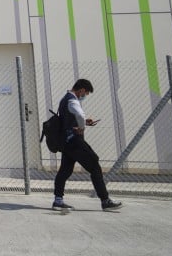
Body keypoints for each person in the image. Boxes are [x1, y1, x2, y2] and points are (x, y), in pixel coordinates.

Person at [52, 78, 123, 212]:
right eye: (85, 94)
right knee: (95, 165)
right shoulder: (72, 99)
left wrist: (84, 122)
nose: (84, 96)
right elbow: (79, 114)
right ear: (82, 90)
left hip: (66, 142)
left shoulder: (64, 99)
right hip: (75, 141)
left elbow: (72, 118)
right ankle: (105, 200)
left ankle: (58, 200)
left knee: (65, 171)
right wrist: (81, 127)